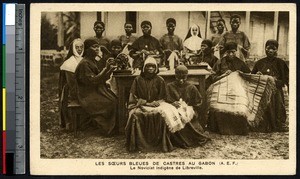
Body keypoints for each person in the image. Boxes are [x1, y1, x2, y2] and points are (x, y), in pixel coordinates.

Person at [75, 38, 118, 136]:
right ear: (86, 50)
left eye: (98, 46)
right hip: (86, 94)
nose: (97, 49)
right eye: (94, 47)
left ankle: (113, 126)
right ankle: (108, 128)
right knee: (111, 102)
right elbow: (93, 80)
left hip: (95, 90)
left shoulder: (92, 61)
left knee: (115, 98)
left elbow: (100, 78)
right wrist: (106, 68)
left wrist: (110, 70)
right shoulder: (84, 63)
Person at [125, 57, 169, 152]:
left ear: (156, 68)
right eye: (148, 66)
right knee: (136, 115)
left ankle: (159, 143)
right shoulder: (138, 80)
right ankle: (138, 144)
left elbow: (164, 97)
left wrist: (157, 102)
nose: (150, 69)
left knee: (160, 115)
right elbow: (133, 96)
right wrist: (146, 103)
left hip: (156, 105)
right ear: (144, 68)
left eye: (152, 66)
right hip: (140, 104)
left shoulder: (160, 80)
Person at [207, 42, 251, 135]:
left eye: (233, 52)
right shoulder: (220, 62)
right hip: (221, 86)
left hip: (237, 88)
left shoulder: (240, 63)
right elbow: (213, 77)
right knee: (217, 100)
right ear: (226, 52)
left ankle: (238, 128)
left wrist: (239, 75)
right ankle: (219, 128)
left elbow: (248, 76)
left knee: (241, 101)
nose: (231, 54)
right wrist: (223, 75)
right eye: (229, 52)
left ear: (236, 52)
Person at [166, 65, 210, 148]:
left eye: (183, 78)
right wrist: (172, 104)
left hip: (189, 110)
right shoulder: (169, 86)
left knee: (187, 119)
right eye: (178, 78)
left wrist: (189, 108)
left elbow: (198, 102)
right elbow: (165, 101)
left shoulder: (191, 87)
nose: (181, 80)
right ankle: (178, 140)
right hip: (174, 110)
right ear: (175, 76)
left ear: (187, 76)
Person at [251, 39, 288, 132]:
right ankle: (263, 124)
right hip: (263, 91)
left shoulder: (281, 63)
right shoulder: (259, 63)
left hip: (276, 90)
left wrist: (275, 81)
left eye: (273, 49)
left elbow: (285, 79)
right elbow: (252, 77)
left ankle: (279, 124)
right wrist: (258, 76)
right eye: (268, 48)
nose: (270, 51)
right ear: (265, 49)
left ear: (276, 50)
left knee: (278, 105)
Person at [59, 38, 84, 130]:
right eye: (77, 47)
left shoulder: (83, 59)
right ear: (73, 48)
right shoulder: (69, 62)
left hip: (81, 87)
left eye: (81, 47)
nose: (79, 49)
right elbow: (71, 82)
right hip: (71, 89)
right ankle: (70, 123)